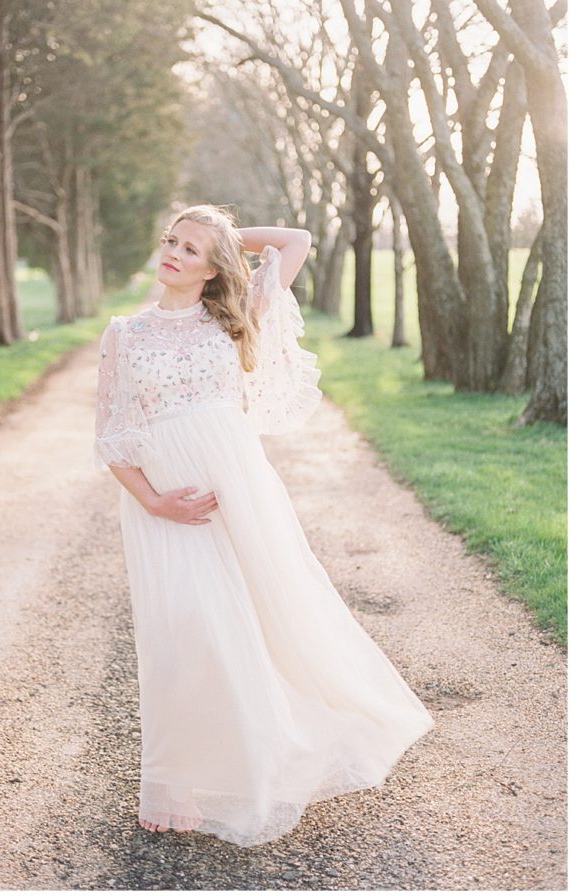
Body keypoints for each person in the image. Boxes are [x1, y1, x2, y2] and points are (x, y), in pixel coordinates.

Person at [93, 204, 434, 847]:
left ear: (215, 267)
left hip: (239, 493)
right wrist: (155, 502)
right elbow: (111, 436)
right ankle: (171, 782)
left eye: (190, 250)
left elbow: (296, 240)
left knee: (259, 619)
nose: (173, 253)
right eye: (170, 241)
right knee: (182, 629)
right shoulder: (124, 333)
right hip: (167, 504)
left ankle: (274, 752)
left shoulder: (234, 317)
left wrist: (222, 238)